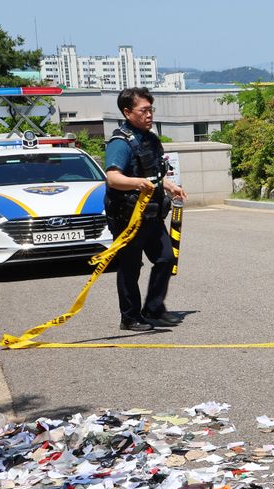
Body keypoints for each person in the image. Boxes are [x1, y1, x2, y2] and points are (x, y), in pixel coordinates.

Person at [104, 87, 187, 331]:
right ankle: (129, 317)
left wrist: (169, 186)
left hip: (151, 215)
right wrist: (136, 183)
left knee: (165, 258)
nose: (149, 115)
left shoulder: (150, 139)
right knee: (130, 267)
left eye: (151, 109)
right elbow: (113, 178)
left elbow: (154, 175)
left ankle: (153, 308)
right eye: (144, 110)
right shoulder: (120, 143)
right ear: (128, 112)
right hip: (127, 217)